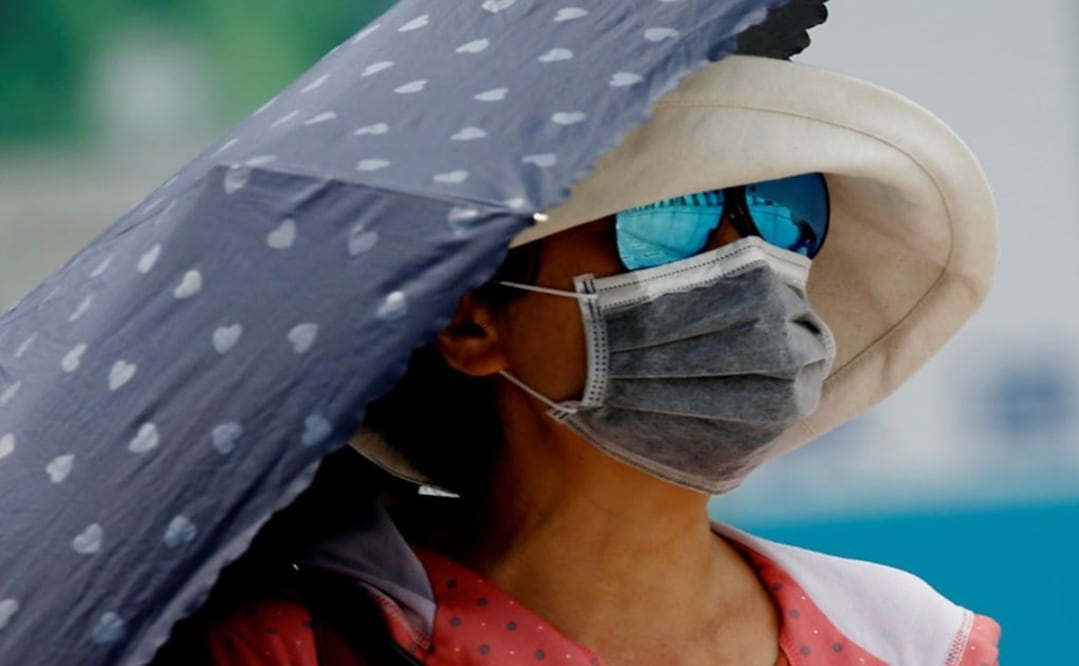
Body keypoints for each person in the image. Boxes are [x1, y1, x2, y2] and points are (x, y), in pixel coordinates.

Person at [151, 34, 1001, 666]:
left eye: (782, 216)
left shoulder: (907, 641)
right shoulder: (312, 643)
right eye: (668, 223)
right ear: (473, 323)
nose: (749, 265)